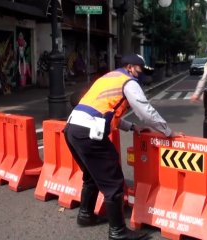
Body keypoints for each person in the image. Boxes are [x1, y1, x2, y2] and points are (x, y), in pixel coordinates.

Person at [63, 53, 183, 240]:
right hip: (89, 132)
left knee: (91, 176)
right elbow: (145, 111)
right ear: (130, 67)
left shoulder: (109, 77)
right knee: (114, 182)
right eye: (140, 69)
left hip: (72, 128)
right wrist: (168, 132)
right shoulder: (129, 82)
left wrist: (132, 127)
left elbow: (105, 110)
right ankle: (118, 232)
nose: (142, 73)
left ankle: (85, 215)